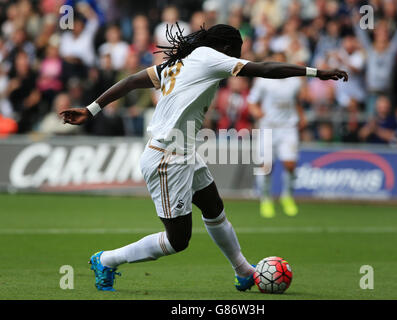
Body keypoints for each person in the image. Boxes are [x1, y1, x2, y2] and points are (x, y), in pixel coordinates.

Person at [60, 23, 348, 292]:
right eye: (239, 49)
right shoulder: (210, 57)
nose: (240, 56)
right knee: (177, 240)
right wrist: (315, 72)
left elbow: (134, 80)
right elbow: (264, 69)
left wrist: (92, 108)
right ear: (227, 48)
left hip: (183, 152)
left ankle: (244, 270)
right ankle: (107, 259)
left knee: (214, 208)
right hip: (166, 158)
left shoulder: (181, 63)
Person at [247, 52, 305, 218]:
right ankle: (265, 198)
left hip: (288, 128)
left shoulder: (294, 81)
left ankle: (287, 196)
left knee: (290, 164)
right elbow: (252, 101)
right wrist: (258, 113)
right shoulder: (263, 81)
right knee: (265, 166)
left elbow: (297, 101)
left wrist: (301, 116)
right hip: (268, 127)